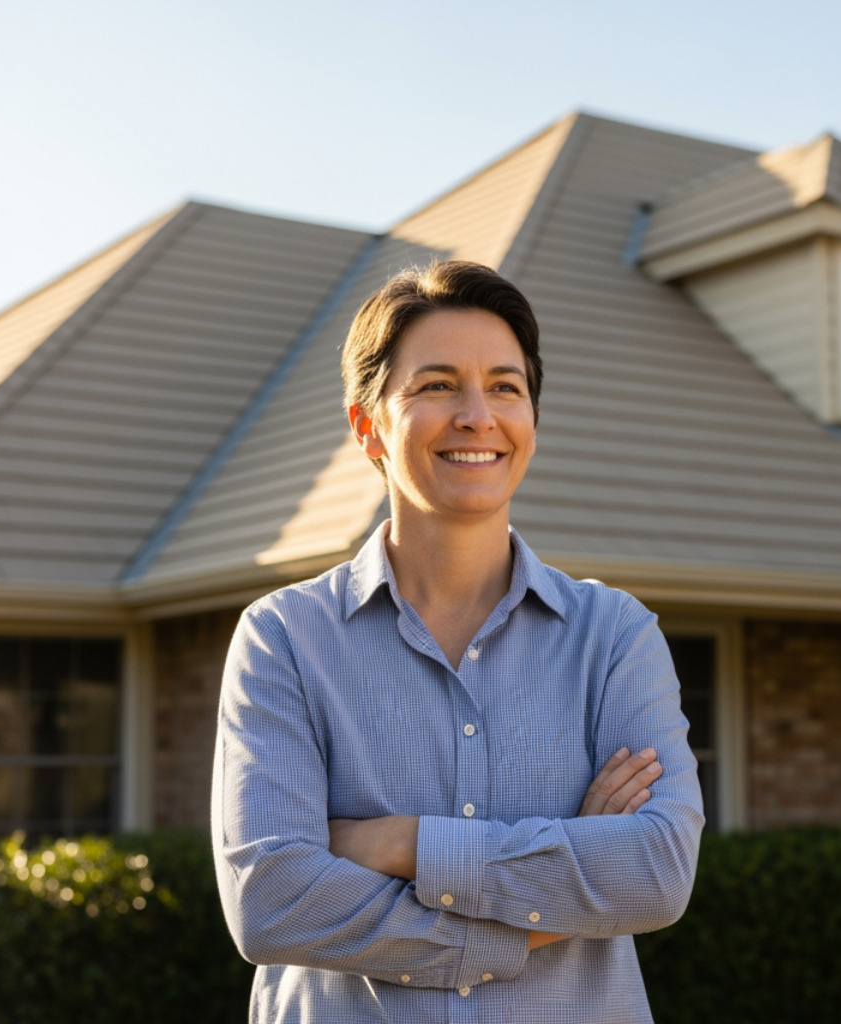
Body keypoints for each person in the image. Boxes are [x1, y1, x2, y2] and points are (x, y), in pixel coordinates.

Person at [211, 260, 704, 1023]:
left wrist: (398, 845)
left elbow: (657, 873)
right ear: (366, 425)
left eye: (505, 386)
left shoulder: (615, 637)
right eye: (437, 385)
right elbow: (272, 901)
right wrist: (549, 898)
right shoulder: (284, 639)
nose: (478, 415)